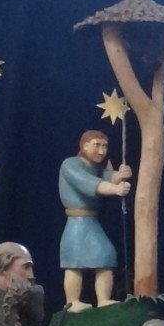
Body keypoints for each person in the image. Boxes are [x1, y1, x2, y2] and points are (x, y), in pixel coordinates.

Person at [57, 129, 132, 312]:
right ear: (84, 146)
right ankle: (72, 302)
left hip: (90, 221)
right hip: (77, 222)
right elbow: (89, 183)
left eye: (105, 146)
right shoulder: (70, 165)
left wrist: (120, 175)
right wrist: (115, 189)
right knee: (74, 262)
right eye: (97, 145)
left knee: (105, 255)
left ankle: (104, 299)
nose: (102, 151)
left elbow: (108, 176)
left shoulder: (95, 167)